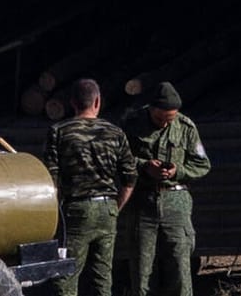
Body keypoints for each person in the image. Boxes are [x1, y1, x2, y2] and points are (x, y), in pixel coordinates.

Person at [43, 79, 137, 296]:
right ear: (98, 102)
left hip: (76, 211)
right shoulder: (115, 132)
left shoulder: (59, 131)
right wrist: (116, 207)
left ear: (72, 103)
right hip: (108, 210)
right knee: (102, 279)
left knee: (66, 277)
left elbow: (52, 179)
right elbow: (130, 177)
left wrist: (58, 216)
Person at [121, 82, 210, 296]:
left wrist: (177, 171)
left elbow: (202, 164)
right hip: (143, 202)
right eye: (160, 118)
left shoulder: (186, 127)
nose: (164, 123)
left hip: (175, 202)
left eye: (169, 119)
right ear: (151, 109)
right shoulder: (132, 124)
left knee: (179, 266)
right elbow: (118, 158)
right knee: (142, 271)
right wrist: (144, 166)